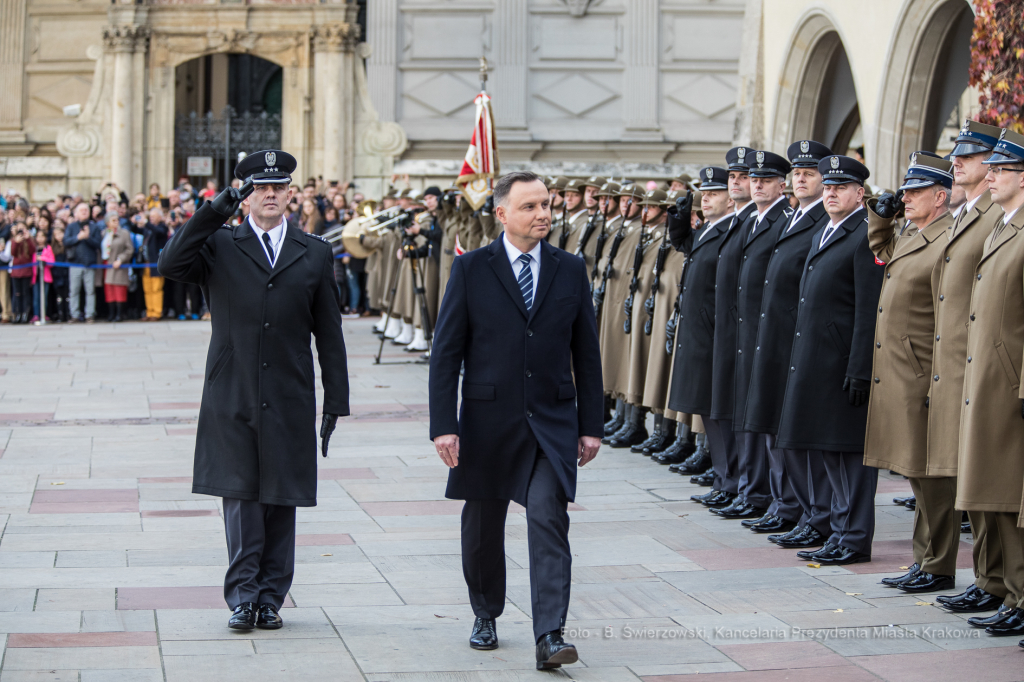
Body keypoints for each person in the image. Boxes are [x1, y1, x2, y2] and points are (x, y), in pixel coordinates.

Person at [158, 149, 350, 632]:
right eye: (258, 187)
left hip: (289, 390)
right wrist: (217, 206)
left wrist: (336, 401)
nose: (269, 193)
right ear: (245, 196)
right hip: (233, 387)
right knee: (241, 495)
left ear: (291, 194)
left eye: (278, 186)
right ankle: (244, 596)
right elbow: (170, 261)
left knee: (282, 497)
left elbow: (329, 333)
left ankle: (271, 597)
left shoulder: (314, 251)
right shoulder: (221, 245)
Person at [428, 170, 603, 670]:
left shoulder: (570, 268)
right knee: (482, 526)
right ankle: (485, 612)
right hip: (486, 421)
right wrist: (445, 424)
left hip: (551, 422)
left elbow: (586, 353)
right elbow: (446, 354)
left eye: (547, 205)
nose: (543, 214)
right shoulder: (472, 269)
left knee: (549, 518)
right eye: (530, 206)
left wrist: (592, 425)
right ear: (501, 213)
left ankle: (550, 634)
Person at [776, 155, 884, 566]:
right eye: (831, 186)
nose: (833, 192)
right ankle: (839, 531)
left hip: (843, 364)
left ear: (860, 193)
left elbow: (867, 309)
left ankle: (855, 537)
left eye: (843, 187)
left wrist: (860, 368)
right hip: (817, 361)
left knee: (851, 454)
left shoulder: (866, 234)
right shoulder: (828, 228)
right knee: (829, 450)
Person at [863, 153, 957, 592]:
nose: (907, 197)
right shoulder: (911, 232)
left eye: (916, 192)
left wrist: (938, 379)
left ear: (941, 197)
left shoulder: (945, 240)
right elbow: (885, 254)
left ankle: (937, 565)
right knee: (916, 476)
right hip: (901, 371)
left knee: (931, 477)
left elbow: (947, 319)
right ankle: (924, 561)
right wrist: (880, 218)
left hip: (922, 374)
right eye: (906, 190)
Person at [743, 140, 833, 547]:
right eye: (797, 172)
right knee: (775, 428)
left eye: (808, 173)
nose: (800, 178)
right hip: (776, 338)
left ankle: (807, 510)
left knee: (797, 432)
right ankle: (787, 504)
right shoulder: (796, 218)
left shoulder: (820, 222)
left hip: (799, 341)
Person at [956, 129, 1024, 638]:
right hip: (987, 378)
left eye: (1001, 170)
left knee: (1008, 490)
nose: (991, 176)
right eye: (992, 168)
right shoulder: (1003, 226)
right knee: (990, 488)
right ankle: (1003, 587)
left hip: (1010, 381)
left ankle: (1018, 594)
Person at [64, 202, 102, 322]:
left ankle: (89, 315)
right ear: (76, 213)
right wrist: (78, 238)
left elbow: (97, 244)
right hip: (75, 263)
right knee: (74, 291)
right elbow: (66, 241)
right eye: (82, 210)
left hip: (89, 264)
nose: (84, 212)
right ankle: (74, 315)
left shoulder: (94, 227)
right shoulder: (71, 227)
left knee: (90, 291)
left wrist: (87, 237)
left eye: (86, 210)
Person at [135, 208, 169, 321]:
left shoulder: (162, 227)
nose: (151, 218)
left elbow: (159, 232)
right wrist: (135, 222)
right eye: (151, 216)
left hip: (155, 264)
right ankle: (149, 312)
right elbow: (136, 230)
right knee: (147, 289)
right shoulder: (148, 229)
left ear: (160, 217)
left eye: (154, 216)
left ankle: (157, 312)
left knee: (156, 289)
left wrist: (147, 224)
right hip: (146, 263)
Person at [102, 212, 134, 322]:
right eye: (113, 220)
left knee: (119, 289)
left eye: (117, 220)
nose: (116, 222)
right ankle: (111, 313)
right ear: (107, 223)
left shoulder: (124, 233)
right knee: (109, 289)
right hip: (106, 264)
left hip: (119, 265)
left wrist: (120, 259)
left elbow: (129, 249)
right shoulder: (104, 233)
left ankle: (120, 314)